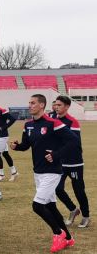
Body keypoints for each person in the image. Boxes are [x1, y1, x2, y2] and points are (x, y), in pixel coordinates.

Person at [10, 94, 77, 253]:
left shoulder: (53, 123)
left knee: (37, 206)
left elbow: (73, 141)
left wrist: (56, 154)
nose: (30, 105)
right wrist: (17, 146)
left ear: (42, 105)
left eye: (33, 103)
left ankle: (58, 233)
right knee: (51, 206)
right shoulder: (28, 125)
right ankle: (68, 238)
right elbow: (27, 145)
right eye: (29, 102)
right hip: (38, 172)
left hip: (52, 172)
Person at [54, 96, 90, 228]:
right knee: (57, 189)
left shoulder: (72, 122)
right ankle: (73, 209)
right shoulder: (53, 120)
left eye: (59, 105)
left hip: (74, 162)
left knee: (79, 191)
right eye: (55, 104)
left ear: (67, 107)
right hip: (60, 162)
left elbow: (74, 143)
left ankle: (86, 216)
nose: (56, 107)